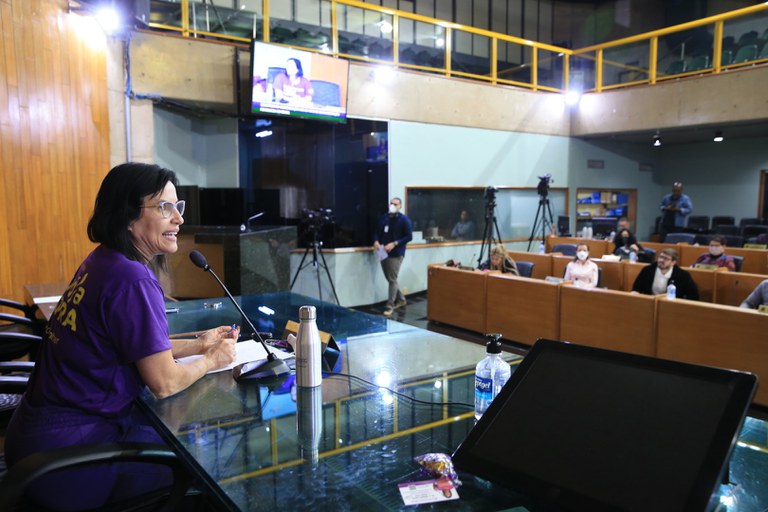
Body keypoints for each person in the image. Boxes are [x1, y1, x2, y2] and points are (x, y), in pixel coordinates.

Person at [4, 163, 238, 510]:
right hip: (70, 463)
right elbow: (165, 382)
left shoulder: (103, 260)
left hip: (34, 446)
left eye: (178, 206)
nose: (179, 219)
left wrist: (197, 344)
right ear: (128, 217)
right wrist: (211, 360)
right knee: (209, 461)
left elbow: (127, 347)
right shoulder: (133, 280)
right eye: (165, 207)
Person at [373, 197, 413, 317]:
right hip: (382, 251)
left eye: (395, 204)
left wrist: (395, 243)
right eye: (391, 203)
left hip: (396, 254)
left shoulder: (404, 220)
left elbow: (409, 236)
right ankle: (401, 300)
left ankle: (390, 305)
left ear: (400, 206)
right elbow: (376, 232)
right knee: (390, 278)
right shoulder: (384, 218)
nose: (392, 206)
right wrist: (376, 241)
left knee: (392, 279)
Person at [632, 248, 699, 299]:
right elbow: (636, 288)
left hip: (672, 306)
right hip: (650, 302)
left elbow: (693, 296)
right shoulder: (647, 270)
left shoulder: (683, 275)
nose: (661, 260)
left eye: (666, 258)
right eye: (660, 257)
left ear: (673, 262)